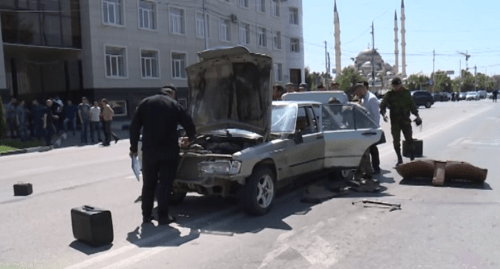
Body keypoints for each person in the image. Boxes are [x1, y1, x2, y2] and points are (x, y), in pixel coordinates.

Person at [129, 86, 196, 225]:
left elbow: (134, 127)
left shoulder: (145, 103)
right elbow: (189, 123)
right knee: (165, 184)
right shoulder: (174, 104)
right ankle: (163, 216)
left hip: (149, 151)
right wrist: (190, 138)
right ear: (171, 94)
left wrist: (134, 148)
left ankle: (146, 215)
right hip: (168, 152)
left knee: (149, 184)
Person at [380, 77, 422, 166]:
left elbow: (412, 105)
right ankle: (399, 158)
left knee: (409, 139)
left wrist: (417, 115)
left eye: (397, 86)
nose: (395, 88)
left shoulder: (406, 93)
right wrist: (384, 114)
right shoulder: (390, 94)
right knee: (396, 141)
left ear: (401, 85)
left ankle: (412, 157)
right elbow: (382, 105)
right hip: (395, 122)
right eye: (394, 86)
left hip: (406, 120)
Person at [355, 82, 381, 174]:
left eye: (357, 92)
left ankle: (375, 167)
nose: (356, 95)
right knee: (369, 149)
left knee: (372, 148)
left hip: (371, 128)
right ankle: (369, 168)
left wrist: (375, 129)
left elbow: (376, 115)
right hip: (366, 127)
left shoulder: (371, 99)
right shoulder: (364, 99)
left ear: (362, 90)